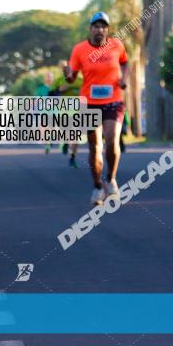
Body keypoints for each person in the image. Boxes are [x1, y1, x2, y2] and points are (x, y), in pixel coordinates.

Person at [64, 12, 129, 205]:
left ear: (107, 30)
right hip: (89, 102)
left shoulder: (117, 45)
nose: (100, 30)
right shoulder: (79, 50)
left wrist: (124, 79)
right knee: (95, 146)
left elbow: (125, 63)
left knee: (111, 139)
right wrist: (67, 74)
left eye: (103, 26)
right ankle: (98, 186)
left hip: (113, 100)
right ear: (90, 29)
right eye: (96, 26)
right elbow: (72, 78)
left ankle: (111, 179)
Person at [51, 63, 82, 167]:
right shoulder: (58, 81)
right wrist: (59, 91)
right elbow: (50, 96)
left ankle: (72, 157)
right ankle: (65, 141)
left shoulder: (81, 81)